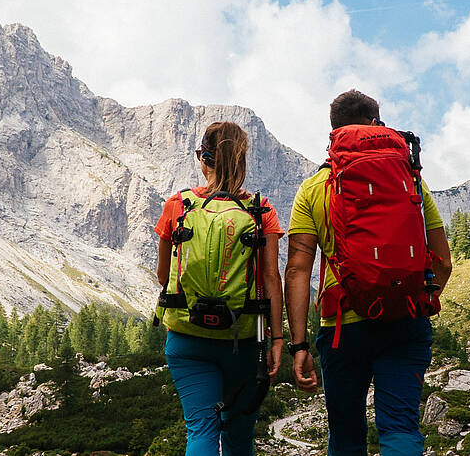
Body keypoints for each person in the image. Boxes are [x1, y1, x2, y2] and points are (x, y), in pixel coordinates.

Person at [284, 90, 452, 456]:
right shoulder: (410, 180)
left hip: (344, 327)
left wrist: (298, 345)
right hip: (406, 321)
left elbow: (298, 269)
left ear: (334, 132)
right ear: (376, 124)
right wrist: (419, 298)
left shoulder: (313, 189)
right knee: (400, 429)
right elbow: (443, 260)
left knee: (346, 438)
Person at [154, 122, 286, 456]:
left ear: (204, 160)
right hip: (244, 341)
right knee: (240, 437)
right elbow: (272, 279)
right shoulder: (261, 211)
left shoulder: (177, 205)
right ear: (242, 161)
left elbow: (162, 275)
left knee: (200, 430)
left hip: (186, 338)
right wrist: (278, 339)